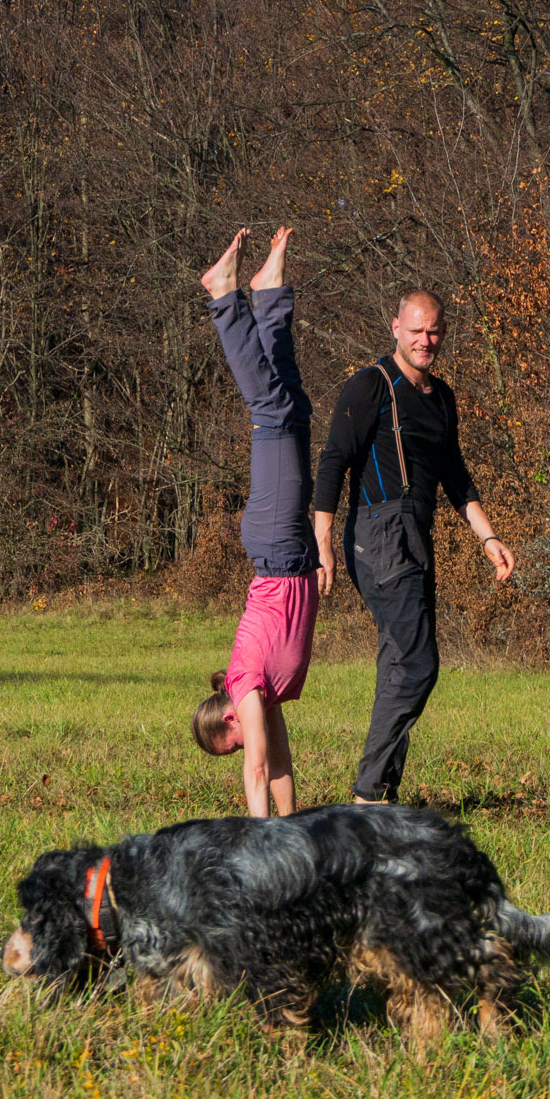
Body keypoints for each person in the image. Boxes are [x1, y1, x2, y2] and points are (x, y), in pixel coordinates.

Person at [313, 288, 516, 804]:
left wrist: (488, 537)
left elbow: (456, 477)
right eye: (417, 330)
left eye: (434, 332)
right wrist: (323, 543)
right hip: (378, 533)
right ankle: (365, 797)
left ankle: (379, 795)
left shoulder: (442, 398)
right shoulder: (370, 387)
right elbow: (333, 461)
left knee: (398, 666)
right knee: (418, 662)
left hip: (414, 535)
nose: (426, 341)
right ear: (396, 328)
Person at [191, 226, 320, 817]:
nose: (246, 734)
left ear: (225, 717)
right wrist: (293, 831)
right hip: (287, 548)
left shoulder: (244, 689)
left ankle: (224, 299)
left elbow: (259, 767)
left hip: (273, 542)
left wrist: (261, 837)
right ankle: (269, 296)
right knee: (292, 408)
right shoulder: (263, 700)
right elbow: (283, 765)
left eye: (233, 738)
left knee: (271, 412)